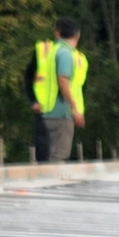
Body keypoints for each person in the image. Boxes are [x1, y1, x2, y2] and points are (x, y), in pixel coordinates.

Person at [25, 18, 88, 162]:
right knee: (58, 156)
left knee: (44, 156)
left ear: (57, 33)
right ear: (77, 35)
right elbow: (63, 80)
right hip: (61, 113)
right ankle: (50, 184)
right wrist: (74, 107)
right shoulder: (68, 55)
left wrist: (33, 100)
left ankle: (44, 182)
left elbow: (28, 77)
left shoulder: (47, 52)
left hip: (43, 112)